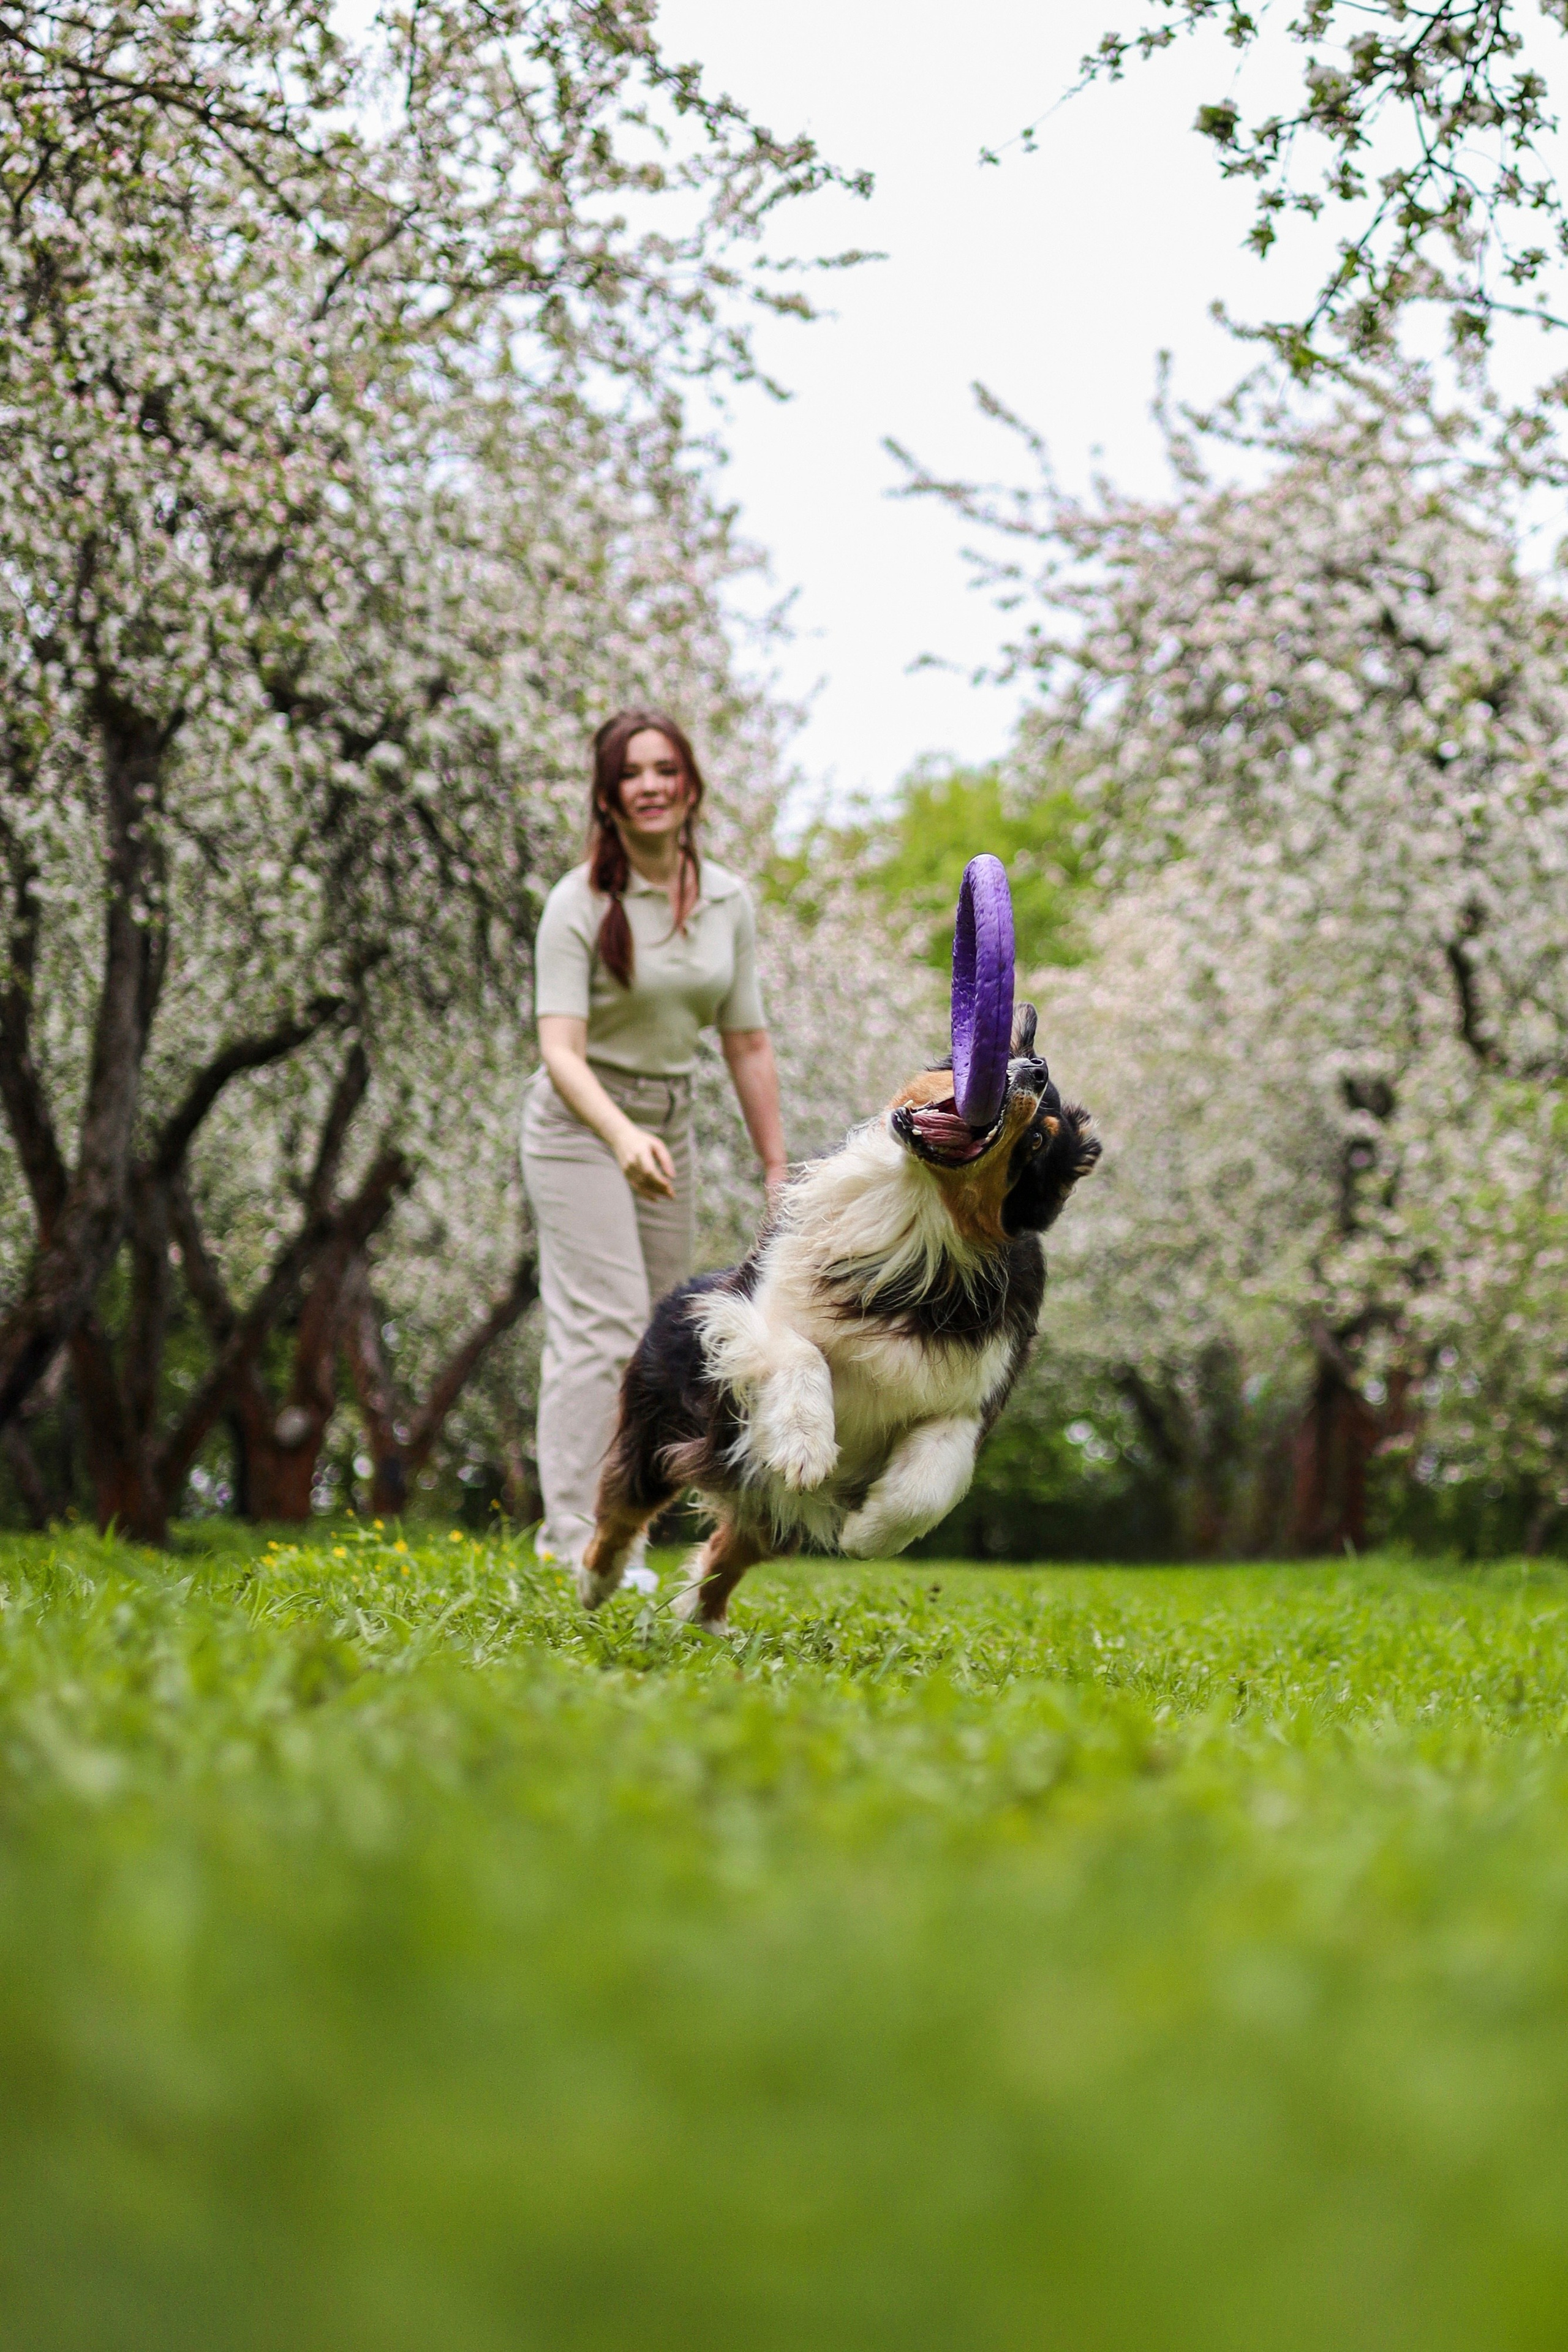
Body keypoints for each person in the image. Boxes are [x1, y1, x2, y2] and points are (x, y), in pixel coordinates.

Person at [522, 709, 786, 1577]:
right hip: (580, 1125)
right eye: (630, 773)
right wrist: (620, 1133)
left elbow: (747, 1042)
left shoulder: (726, 900)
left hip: (669, 1124)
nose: (650, 786)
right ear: (607, 798)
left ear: (690, 785)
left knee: (655, 1339)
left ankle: (621, 1535)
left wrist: (776, 1168)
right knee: (598, 1330)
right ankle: (575, 1543)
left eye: (665, 769)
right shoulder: (578, 902)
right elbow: (560, 1049)